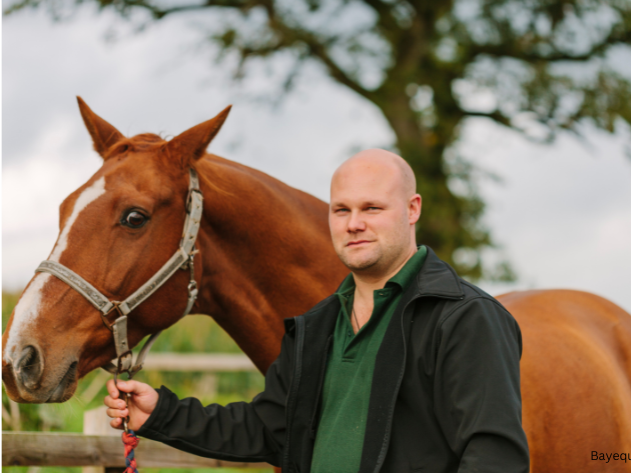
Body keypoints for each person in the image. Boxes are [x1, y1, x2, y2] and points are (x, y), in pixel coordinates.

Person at [104, 149, 530, 473]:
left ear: (412, 209)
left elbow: (494, 456)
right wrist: (161, 413)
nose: (353, 223)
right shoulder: (317, 325)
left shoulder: (465, 317)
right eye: (341, 210)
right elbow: (268, 428)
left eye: (372, 208)